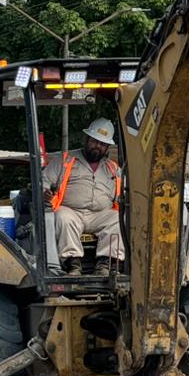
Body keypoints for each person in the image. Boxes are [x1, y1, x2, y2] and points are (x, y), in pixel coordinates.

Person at [43, 118, 124, 275]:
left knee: (119, 219)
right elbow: (44, 182)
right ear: (87, 139)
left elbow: (124, 194)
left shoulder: (113, 168)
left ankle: (105, 264)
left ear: (107, 147)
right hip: (72, 211)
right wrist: (45, 192)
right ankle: (73, 264)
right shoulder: (65, 160)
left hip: (99, 215)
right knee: (63, 217)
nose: (97, 147)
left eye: (102, 144)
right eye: (95, 141)